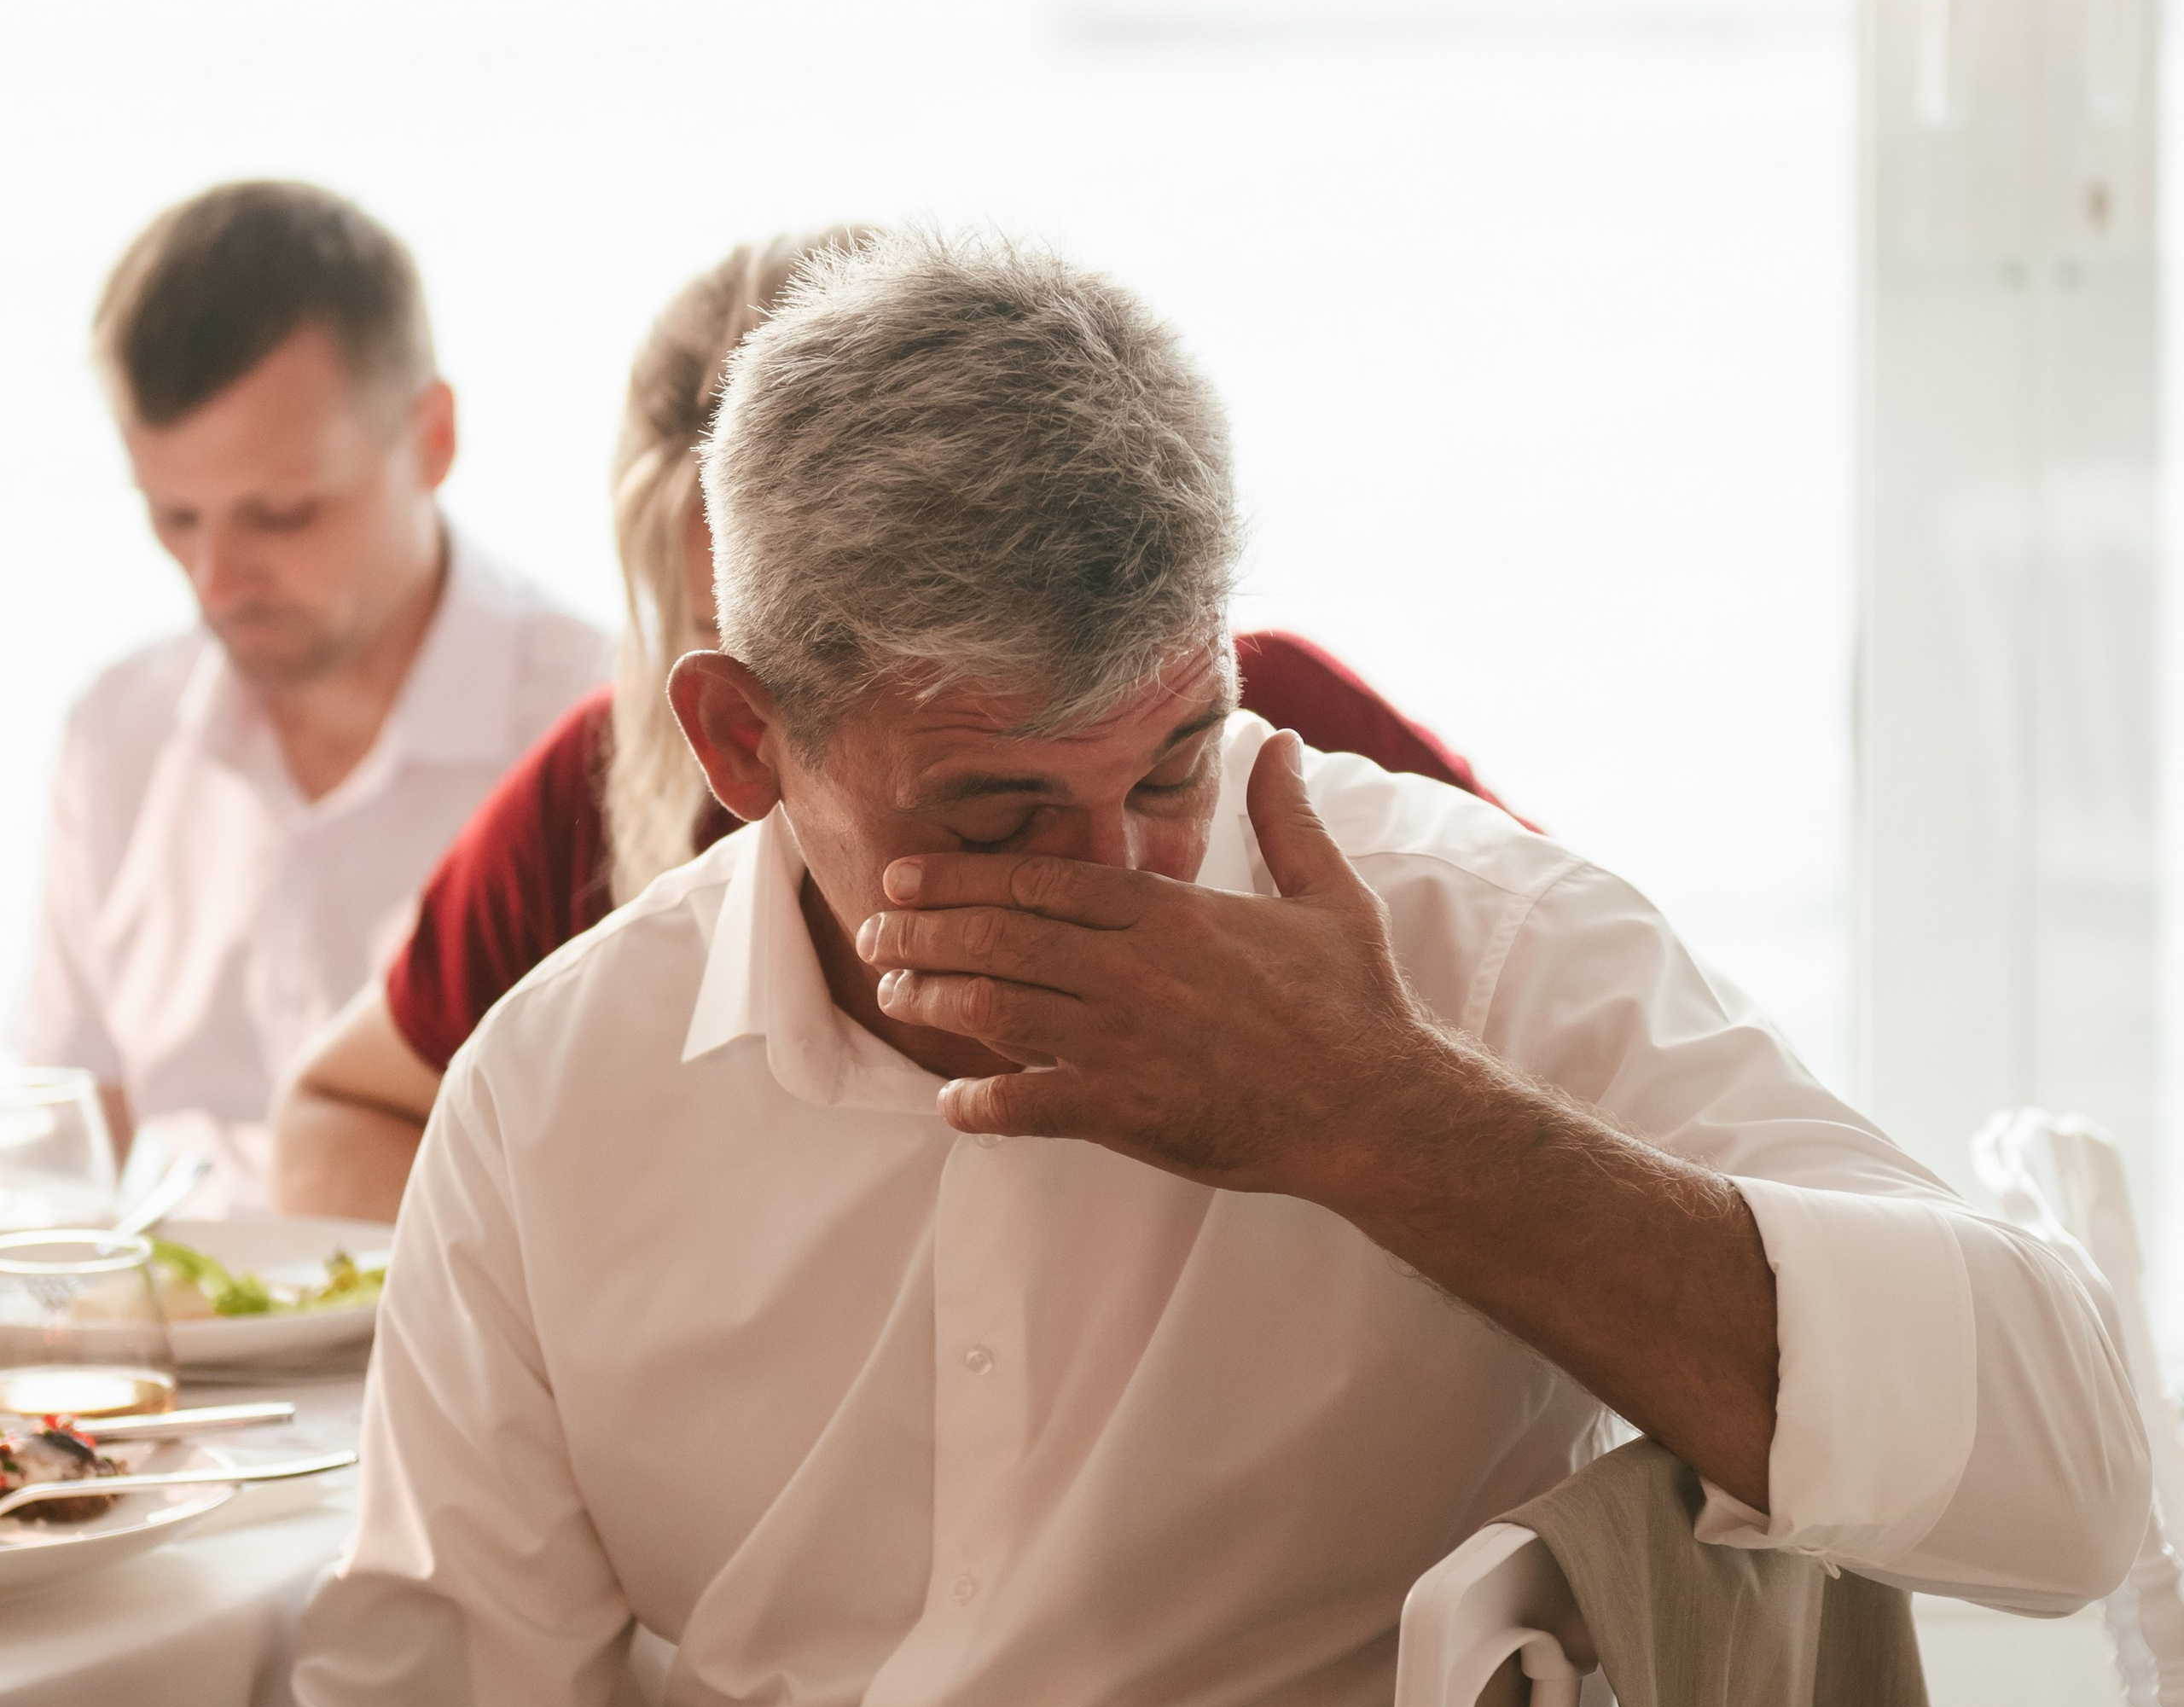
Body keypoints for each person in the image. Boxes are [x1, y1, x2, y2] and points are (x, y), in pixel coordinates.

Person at [0, 231, 2146, 1707]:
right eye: (1006, 819)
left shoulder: (1463, 952)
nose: (1129, 884)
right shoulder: (564, 1087)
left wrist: (1388, 1123)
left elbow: (2076, 1460)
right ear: (742, 745)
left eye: (1178, 761)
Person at [270, 234, 1507, 1221]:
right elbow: (345, 1104)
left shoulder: (1263, 723)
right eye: (728, 616)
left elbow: (1539, 987)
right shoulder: (597, 795)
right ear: (731, 718)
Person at [12, 181, 608, 1201]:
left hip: (474, 1348)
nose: (216, 580)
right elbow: (61, 1159)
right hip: (167, 1345)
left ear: (433, 437)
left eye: (281, 515)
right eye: (175, 519)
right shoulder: (119, 735)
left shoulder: (599, 730)